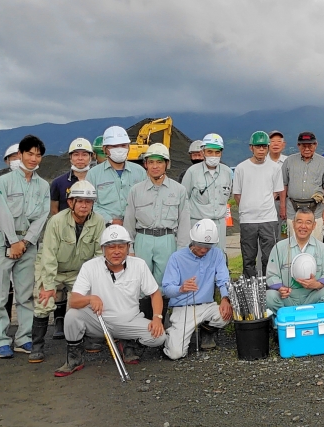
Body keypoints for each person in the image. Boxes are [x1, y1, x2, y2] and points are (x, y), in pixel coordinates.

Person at [54, 226, 165, 376]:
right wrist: (90, 298)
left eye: (121, 246)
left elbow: (155, 293)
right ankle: (75, 358)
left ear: (128, 248)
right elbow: (74, 300)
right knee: (72, 315)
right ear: (103, 249)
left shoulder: (139, 265)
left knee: (159, 337)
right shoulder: (90, 267)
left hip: (129, 321)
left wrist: (157, 318)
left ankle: (128, 342)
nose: (116, 251)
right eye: (111, 247)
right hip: (98, 322)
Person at [0, 134, 51, 359]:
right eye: (30, 154)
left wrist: (24, 242)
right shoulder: (4, 181)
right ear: (21, 155)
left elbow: (42, 216)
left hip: (28, 244)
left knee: (25, 295)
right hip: (2, 242)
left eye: (38, 155)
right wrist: (12, 241)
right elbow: (1, 211)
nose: (34, 159)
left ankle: (24, 338)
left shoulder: (43, 186)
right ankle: (1, 340)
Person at [31, 181, 104, 362]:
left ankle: (81, 340)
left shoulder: (99, 221)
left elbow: (98, 256)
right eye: (79, 201)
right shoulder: (56, 222)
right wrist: (48, 286)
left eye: (88, 201)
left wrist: (91, 283)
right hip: (53, 269)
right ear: (70, 202)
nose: (84, 205)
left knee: (80, 303)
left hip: (78, 271)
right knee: (44, 301)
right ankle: (37, 345)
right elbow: (48, 255)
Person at [161, 219, 233, 359]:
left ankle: (205, 329)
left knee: (229, 313)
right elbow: (167, 289)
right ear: (192, 240)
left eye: (208, 246)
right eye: (200, 245)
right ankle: (171, 332)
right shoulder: (176, 258)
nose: (204, 249)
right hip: (183, 308)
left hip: (207, 305)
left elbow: (223, 278)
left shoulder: (217, 254)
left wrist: (225, 298)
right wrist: (181, 289)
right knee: (175, 354)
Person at [124, 143, 190, 287]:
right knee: (140, 283)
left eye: (159, 162)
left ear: (167, 164)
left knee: (166, 282)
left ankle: (162, 310)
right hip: (143, 239)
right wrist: (130, 249)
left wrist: (181, 251)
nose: (155, 166)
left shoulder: (179, 190)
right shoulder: (135, 191)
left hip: (167, 240)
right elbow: (129, 223)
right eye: (151, 162)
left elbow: (184, 223)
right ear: (145, 164)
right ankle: (143, 310)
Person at [264, 208, 324, 312]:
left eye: (308, 223)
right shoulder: (279, 247)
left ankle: (311, 316)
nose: (303, 226)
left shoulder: (322, 247)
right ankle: (287, 319)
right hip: (288, 296)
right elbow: (272, 274)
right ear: (293, 224)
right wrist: (280, 288)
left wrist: (316, 284)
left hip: (313, 294)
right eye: (299, 222)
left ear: (314, 226)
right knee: (268, 296)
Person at [233, 131, 284, 277]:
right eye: (258, 146)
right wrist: (248, 206)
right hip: (247, 220)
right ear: (251, 148)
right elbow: (237, 195)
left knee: (269, 258)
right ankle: (251, 290)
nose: (261, 149)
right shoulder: (241, 168)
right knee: (248, 259)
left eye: (264, 146)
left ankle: (269, 290)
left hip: (268, 219)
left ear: (267, 148)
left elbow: (276, 192)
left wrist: (263, 202)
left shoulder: (275, 168)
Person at [85, 126, 147, 225]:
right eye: (114, 146)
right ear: (105, 149)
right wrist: (110, 220)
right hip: (104, 228)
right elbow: (90, 203)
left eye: (123, 145)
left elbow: (146, 200)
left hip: (135, 228)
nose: (119, 149)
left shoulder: (140, 172)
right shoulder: (93, 174)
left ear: (129, 147)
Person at [181, 133, 234, 245]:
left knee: (219, 256)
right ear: (203, 152)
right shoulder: (192, 172)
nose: (213, 155)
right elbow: (184, 199)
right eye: (210, 152)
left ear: (221, 153)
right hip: (197, 223)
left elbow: (228, 195)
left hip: (219, 225)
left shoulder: (227, 172)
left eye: (217, 152)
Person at [281, 131, 324, 242]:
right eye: (303, 145)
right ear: (298, 146)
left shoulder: (323, 162)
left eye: (310, 145)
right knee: (293, 244)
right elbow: (284, 185)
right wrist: (282, 206)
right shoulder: (289, 161)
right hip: (293, 208)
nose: (307, 148)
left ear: (316, 145)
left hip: (316, 209)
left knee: (315, 243)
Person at [50, 138, 94, 215]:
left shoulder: (97, 180)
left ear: (91, 157)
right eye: (76, 155)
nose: (80, 158)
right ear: (70, 157)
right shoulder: (58, 183)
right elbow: (54, 210)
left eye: (84, 155)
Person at [268, 130, 288, 238]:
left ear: (283, 145)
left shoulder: (288, 161)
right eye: (272, 141)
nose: (275, 144)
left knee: (283, 235)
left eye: (278, 141)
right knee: (267, 235)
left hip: (283, 204)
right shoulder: (262, 161)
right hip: (266, 203)